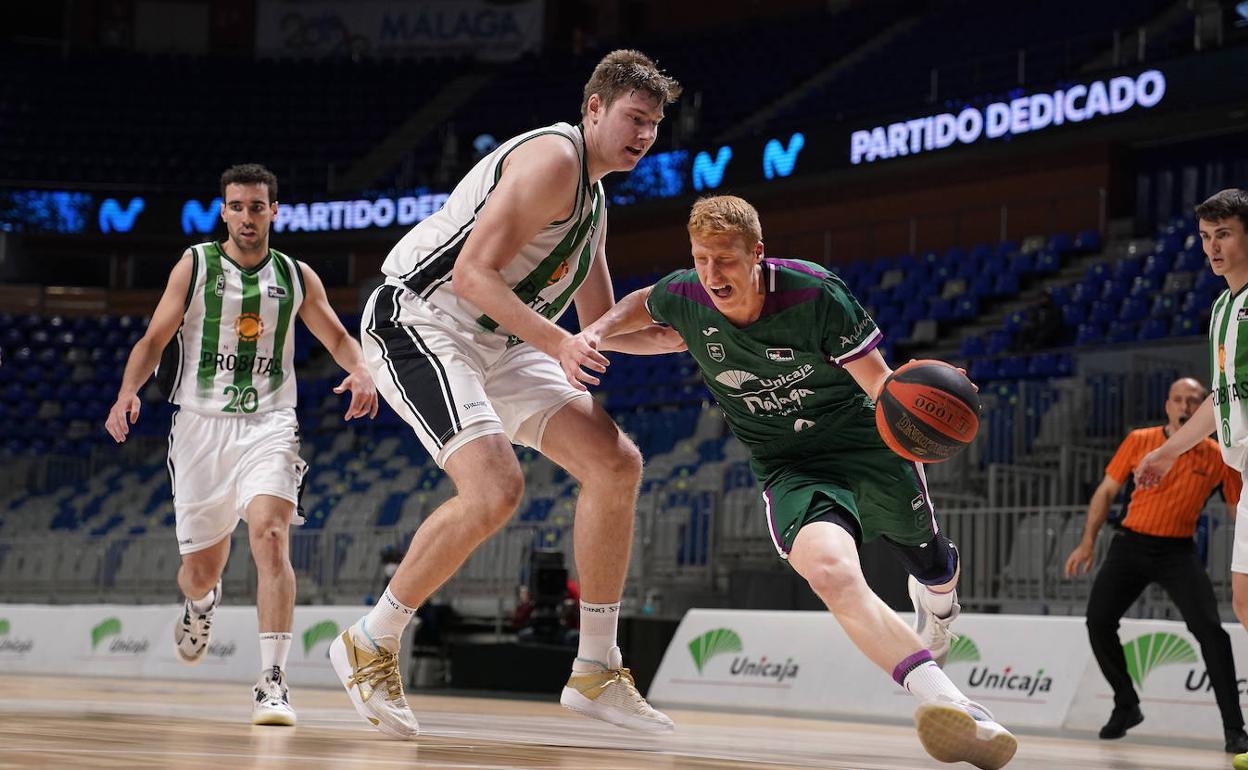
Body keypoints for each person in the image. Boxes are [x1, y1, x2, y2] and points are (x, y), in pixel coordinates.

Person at [562, 195, 1018, 770]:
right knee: (830, 571)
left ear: (757, 253)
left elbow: (881, 388)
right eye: (701, 259)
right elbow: (640, 302)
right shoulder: (686, 293)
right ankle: (956, 708)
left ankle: (941, 607)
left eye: (724, 260)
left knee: (932, 565)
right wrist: (595, 332)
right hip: (790, 465)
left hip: (865, 447)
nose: (711, 274)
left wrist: (928, 415)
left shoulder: (815, 293)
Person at [331, 50, 684, 738]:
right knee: (495, 488)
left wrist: (680, 338)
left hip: (499, 338)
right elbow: (470, 275)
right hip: (423, 318)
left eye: (653, 125)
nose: (643, 136)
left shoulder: (595, 202)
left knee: (617, 464)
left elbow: (599, 325)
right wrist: (558, 346)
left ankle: (595, 669)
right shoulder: (555, 158)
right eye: (633, 118)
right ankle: (371, 639)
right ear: (593, 109)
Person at [104, 163, 378, 727]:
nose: (248, 216)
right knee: (200, 571)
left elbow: (338, 336)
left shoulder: (297, 275)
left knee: (271, 536)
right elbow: (155, 336)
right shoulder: (196, 264)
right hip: (200, 427)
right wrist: (127, 392)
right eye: (237, 206)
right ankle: (200, 605)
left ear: (274, 211)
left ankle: (272, 681)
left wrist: (363, 372)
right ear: (223, 210)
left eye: (258, 206)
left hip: (269, 423)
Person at [1064, 377, 1247, 750]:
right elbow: (1106, 492)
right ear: (1167, 405)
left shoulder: (1217, 456)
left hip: (1178, 551)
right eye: (1178, 400)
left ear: (1204, 408)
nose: (1185, 407)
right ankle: (1126, 703)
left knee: (1211, 631)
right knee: (1098, 621)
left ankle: (1234, 729)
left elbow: (1236, 512)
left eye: (1193, 401)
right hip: (1131, 543)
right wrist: (1087, 543)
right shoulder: (1140, 440)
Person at [1134, 189, 1248, 769]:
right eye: (1206, 237)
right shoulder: (1222, 309)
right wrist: (1170, 453)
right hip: (1247, 469)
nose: (1213, 247)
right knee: (1246, 601)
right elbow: (1220, 402)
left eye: (1223, 234)